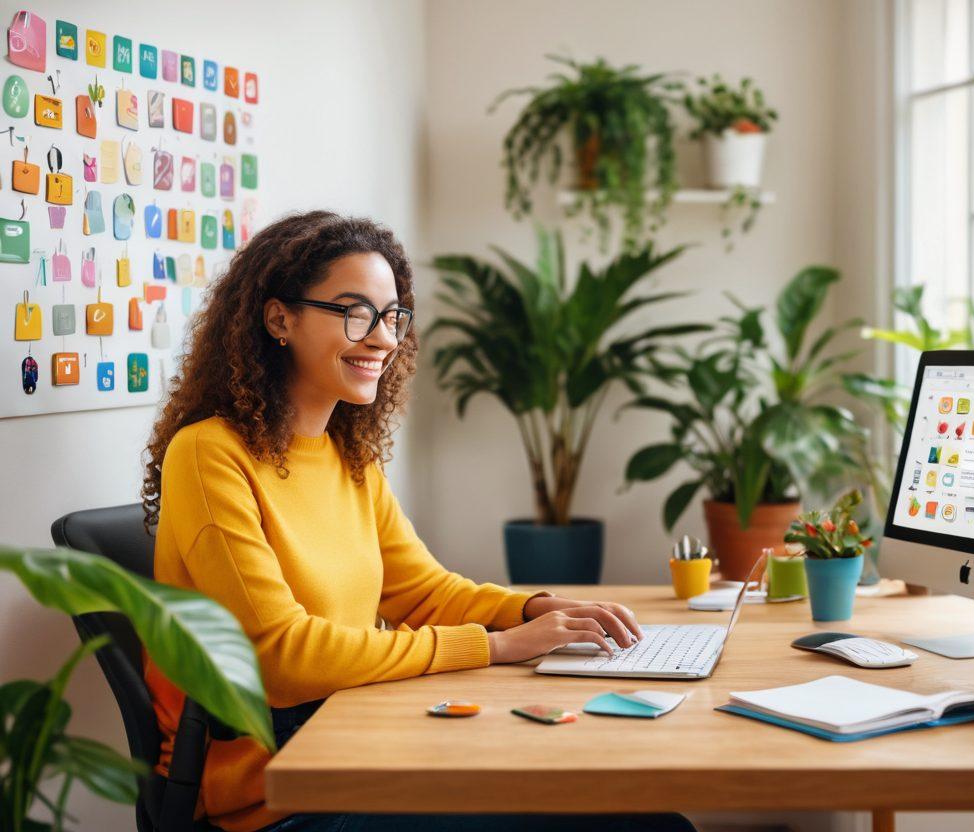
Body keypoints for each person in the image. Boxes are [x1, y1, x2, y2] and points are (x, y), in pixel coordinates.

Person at [141, 211, 693, 832]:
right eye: (355, 312)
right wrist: (496, 646)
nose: (382, 338)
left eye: (392, 316)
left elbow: (422, 592)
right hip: (276, 796)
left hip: (359, 746)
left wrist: (532, 609)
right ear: (279, 319)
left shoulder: (347, 457)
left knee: (634, 810)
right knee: (640, 826)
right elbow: (282, 658)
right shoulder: (208, 453)